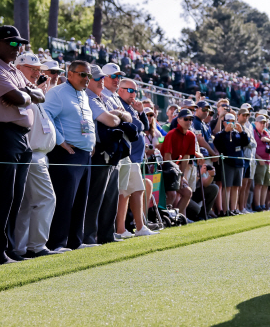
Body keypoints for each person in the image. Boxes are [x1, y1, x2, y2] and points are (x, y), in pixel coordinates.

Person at [0, 26, 45, 266]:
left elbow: (40, 94)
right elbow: (19, 98)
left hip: (20, 136)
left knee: (16, 196)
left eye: (18, 43)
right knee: (3, 196)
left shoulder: (11, 70)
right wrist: (27, 92)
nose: (16, 47)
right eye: (11, 43)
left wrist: (26, 91)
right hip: (2, 134)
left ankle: (7, 249)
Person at [43, 60, 98, 251]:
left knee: (80, 200)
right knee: (64, 200)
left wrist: (91, 143)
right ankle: (57, 243)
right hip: (66, 153)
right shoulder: (57, 93)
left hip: (84, 154)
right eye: (83, 74)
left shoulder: (83, 94)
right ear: (70, 73)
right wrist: (60, 141)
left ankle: (75, 241)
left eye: (89, 75)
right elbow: (45, 115)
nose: (86, 79)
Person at [13, 54, 59, 257]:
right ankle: (36, 246)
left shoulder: (35, 91)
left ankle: (22, 247)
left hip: (40, 154)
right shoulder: (20, 90)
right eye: (31, 67)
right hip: (31, 153)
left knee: (27, 203)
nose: (36, 72)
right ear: (19, 67)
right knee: (46, 199)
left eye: (38, 68)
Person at [82, 65, 129, 244]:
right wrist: (118, 115)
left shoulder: (104, 97)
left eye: (103, 77)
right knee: (96, 197)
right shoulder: (89, 97)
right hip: (99, 152)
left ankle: (106, 235)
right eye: (97, 78)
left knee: (110, 196)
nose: (102, 80)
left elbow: (130, 119)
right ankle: (89, 236)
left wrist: (118, 115)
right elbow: (110, 120)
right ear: (88, 81)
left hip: (112, 152)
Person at [116, 79, 158, 236]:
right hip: (128, 156)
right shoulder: (119, 103)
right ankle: (123, 229)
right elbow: (138, 127)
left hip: (135, 158)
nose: (134, 94)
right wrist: (139, 119)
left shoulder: (131, 106)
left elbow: (145, 127)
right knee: (126, 193)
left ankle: (137, 227)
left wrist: (141, 112)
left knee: (135, 191)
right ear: (120, 90)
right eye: (130, 90)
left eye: (135, 91)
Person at [160, 108, 195, 217]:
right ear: (179, 120)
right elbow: (167, 158)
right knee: (172, 194)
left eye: (191, 119)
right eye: (186, 119)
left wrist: (181, 176)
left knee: (187, 192)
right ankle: (162, 218)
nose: (189, 122)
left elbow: (186, 158)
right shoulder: (171, 134)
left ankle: (176, 217)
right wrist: (177, 176)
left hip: (175, 171)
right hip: (164, 169)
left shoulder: (191, 136)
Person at [213, 113, 249, 215]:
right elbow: (218, 143)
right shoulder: (221, 134)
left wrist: (242, 132)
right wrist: (225, 131)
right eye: (229, 121)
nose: (232, 123)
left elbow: (246, 142)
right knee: (227, 187)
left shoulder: (238, 134)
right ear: (224, 122)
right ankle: (226, 210)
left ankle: (233, 209)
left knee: (236, 187)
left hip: (239, 163)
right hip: (228, 163)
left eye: (233, 121)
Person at [252, 115, 270, 212]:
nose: (263, 124)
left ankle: (262, 204)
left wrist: (268, 140)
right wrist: (258, 158)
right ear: (256, 122)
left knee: (265, 184)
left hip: (268, 161)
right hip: (260, 161)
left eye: (264, 122)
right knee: (259, 184)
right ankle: (257, 205)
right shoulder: (253, 132)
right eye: (261, 122)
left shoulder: (266, 133)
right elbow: (252, 148)